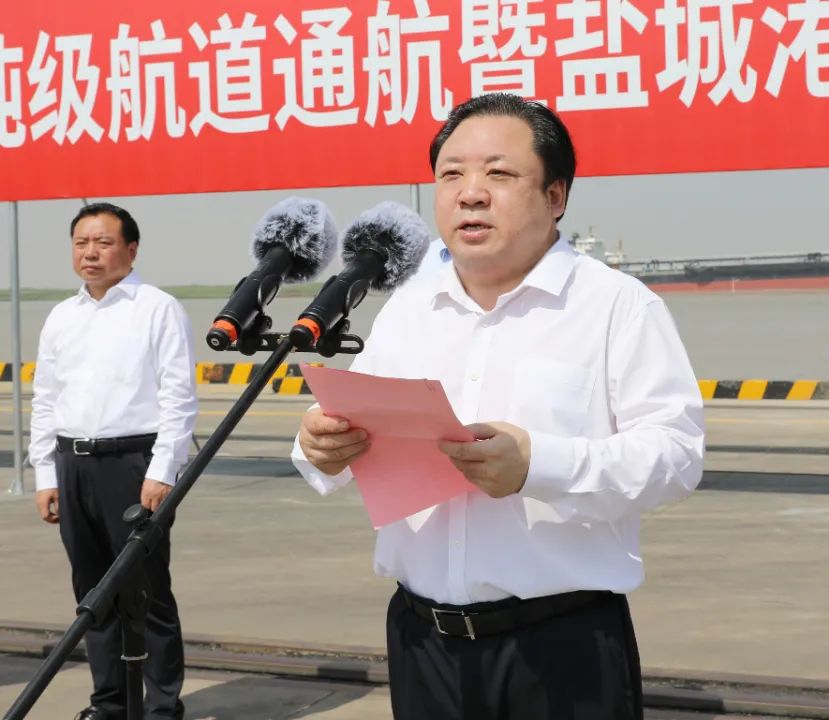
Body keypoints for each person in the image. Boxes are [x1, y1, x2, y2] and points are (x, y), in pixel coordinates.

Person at [293, 93, 704, 720]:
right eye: (451, 174)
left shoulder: (617, 306)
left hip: (560, 649)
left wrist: (538, 465)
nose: (470, 194)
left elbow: (676, 457)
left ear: (556, 196)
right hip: (423, 644)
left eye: (499, 174)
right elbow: (352, 428)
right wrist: (321, 447)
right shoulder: (409, 309)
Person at [29, 203, 198, 720]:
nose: (90, 253)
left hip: (133, 465)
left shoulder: (157, 308)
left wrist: (162, 471)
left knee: (147, 592)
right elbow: (45, 400)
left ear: (131, 249)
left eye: (103, 242)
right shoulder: (62, 316)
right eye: (81, 243)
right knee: (92, 592)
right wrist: (45, 474)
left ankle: (162, 707)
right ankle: (110, 703)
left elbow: (178, 398)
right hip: (72, 464)